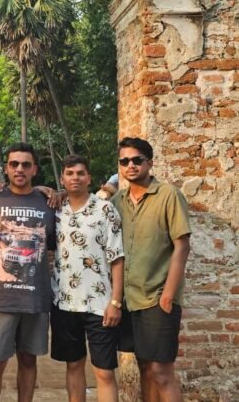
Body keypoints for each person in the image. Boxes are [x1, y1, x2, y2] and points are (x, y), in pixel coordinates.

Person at [111, 137, 191, 402]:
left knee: (161, 371)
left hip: (157, 298)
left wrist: (168, 295)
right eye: (124, 161)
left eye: (137, 160)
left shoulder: (168, 195)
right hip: (129, 300)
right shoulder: (118, 201)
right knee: (144, 366)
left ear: (150, 163)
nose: (131, 165)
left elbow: (182, 246)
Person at [0, 142, 55, 402]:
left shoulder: (48, 203)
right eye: (14, 164)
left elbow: (53, 244)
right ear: (6, 168)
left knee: (28, 361)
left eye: (26, 164)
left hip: (35, 299)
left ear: (35, 169)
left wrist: (53, 191)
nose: (19, 169)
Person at [51, 155, 124, 402]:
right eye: (70, 173)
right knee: (73, 365)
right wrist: (45, 190)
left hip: (99, 304)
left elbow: (117, 257)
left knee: (104, 371)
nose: (75, 178)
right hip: (64, 302)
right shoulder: (55, 210)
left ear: (89, 178)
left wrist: (115, 302)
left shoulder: (105, 210)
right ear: (62, 178)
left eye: (80, 173)